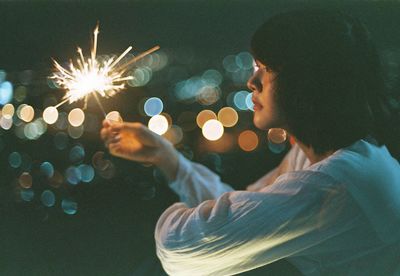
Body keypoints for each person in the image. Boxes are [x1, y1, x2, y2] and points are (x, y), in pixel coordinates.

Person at [100, 9, 400, 276]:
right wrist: (166, 157)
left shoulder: (333, 187)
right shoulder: (334, 158)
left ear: (306, 83)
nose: (251, 82)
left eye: (266, 70)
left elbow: (178, 248)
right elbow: (242, 208)